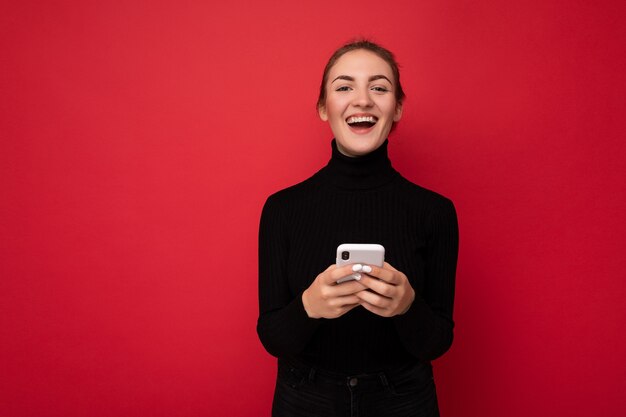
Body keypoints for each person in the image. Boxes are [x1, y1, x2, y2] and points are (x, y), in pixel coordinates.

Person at [257, 39, 459, 417]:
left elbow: (437, 342)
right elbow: (272, 336)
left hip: (402, 398)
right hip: (305, 396)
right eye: (344, 86)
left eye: (379, 87)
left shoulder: (435, 212)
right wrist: (309, 306)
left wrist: (406, 307)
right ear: (323, 108)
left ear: (396, 107)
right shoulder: (282, 209)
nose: (363, 99)